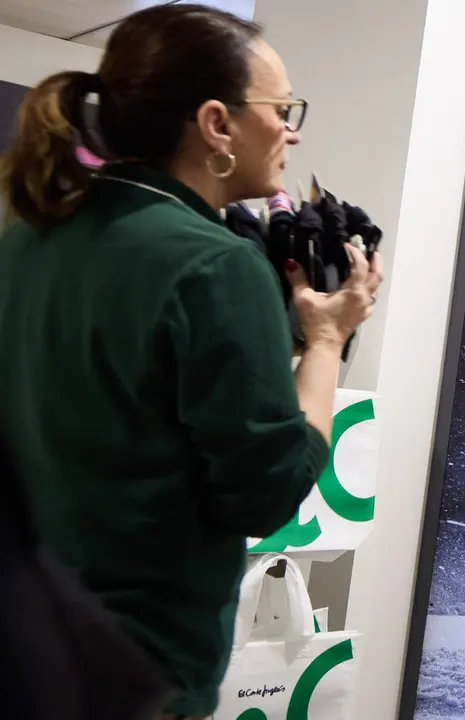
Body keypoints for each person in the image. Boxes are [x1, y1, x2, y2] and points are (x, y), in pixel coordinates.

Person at [0, 5, 380, 719]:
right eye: (281, 107)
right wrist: (326, 340)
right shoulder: (213, 266)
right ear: (216, 125)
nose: (292, 128)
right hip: (135, 673)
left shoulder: (26, 240)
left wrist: (278, 339)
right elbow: (268, 491)